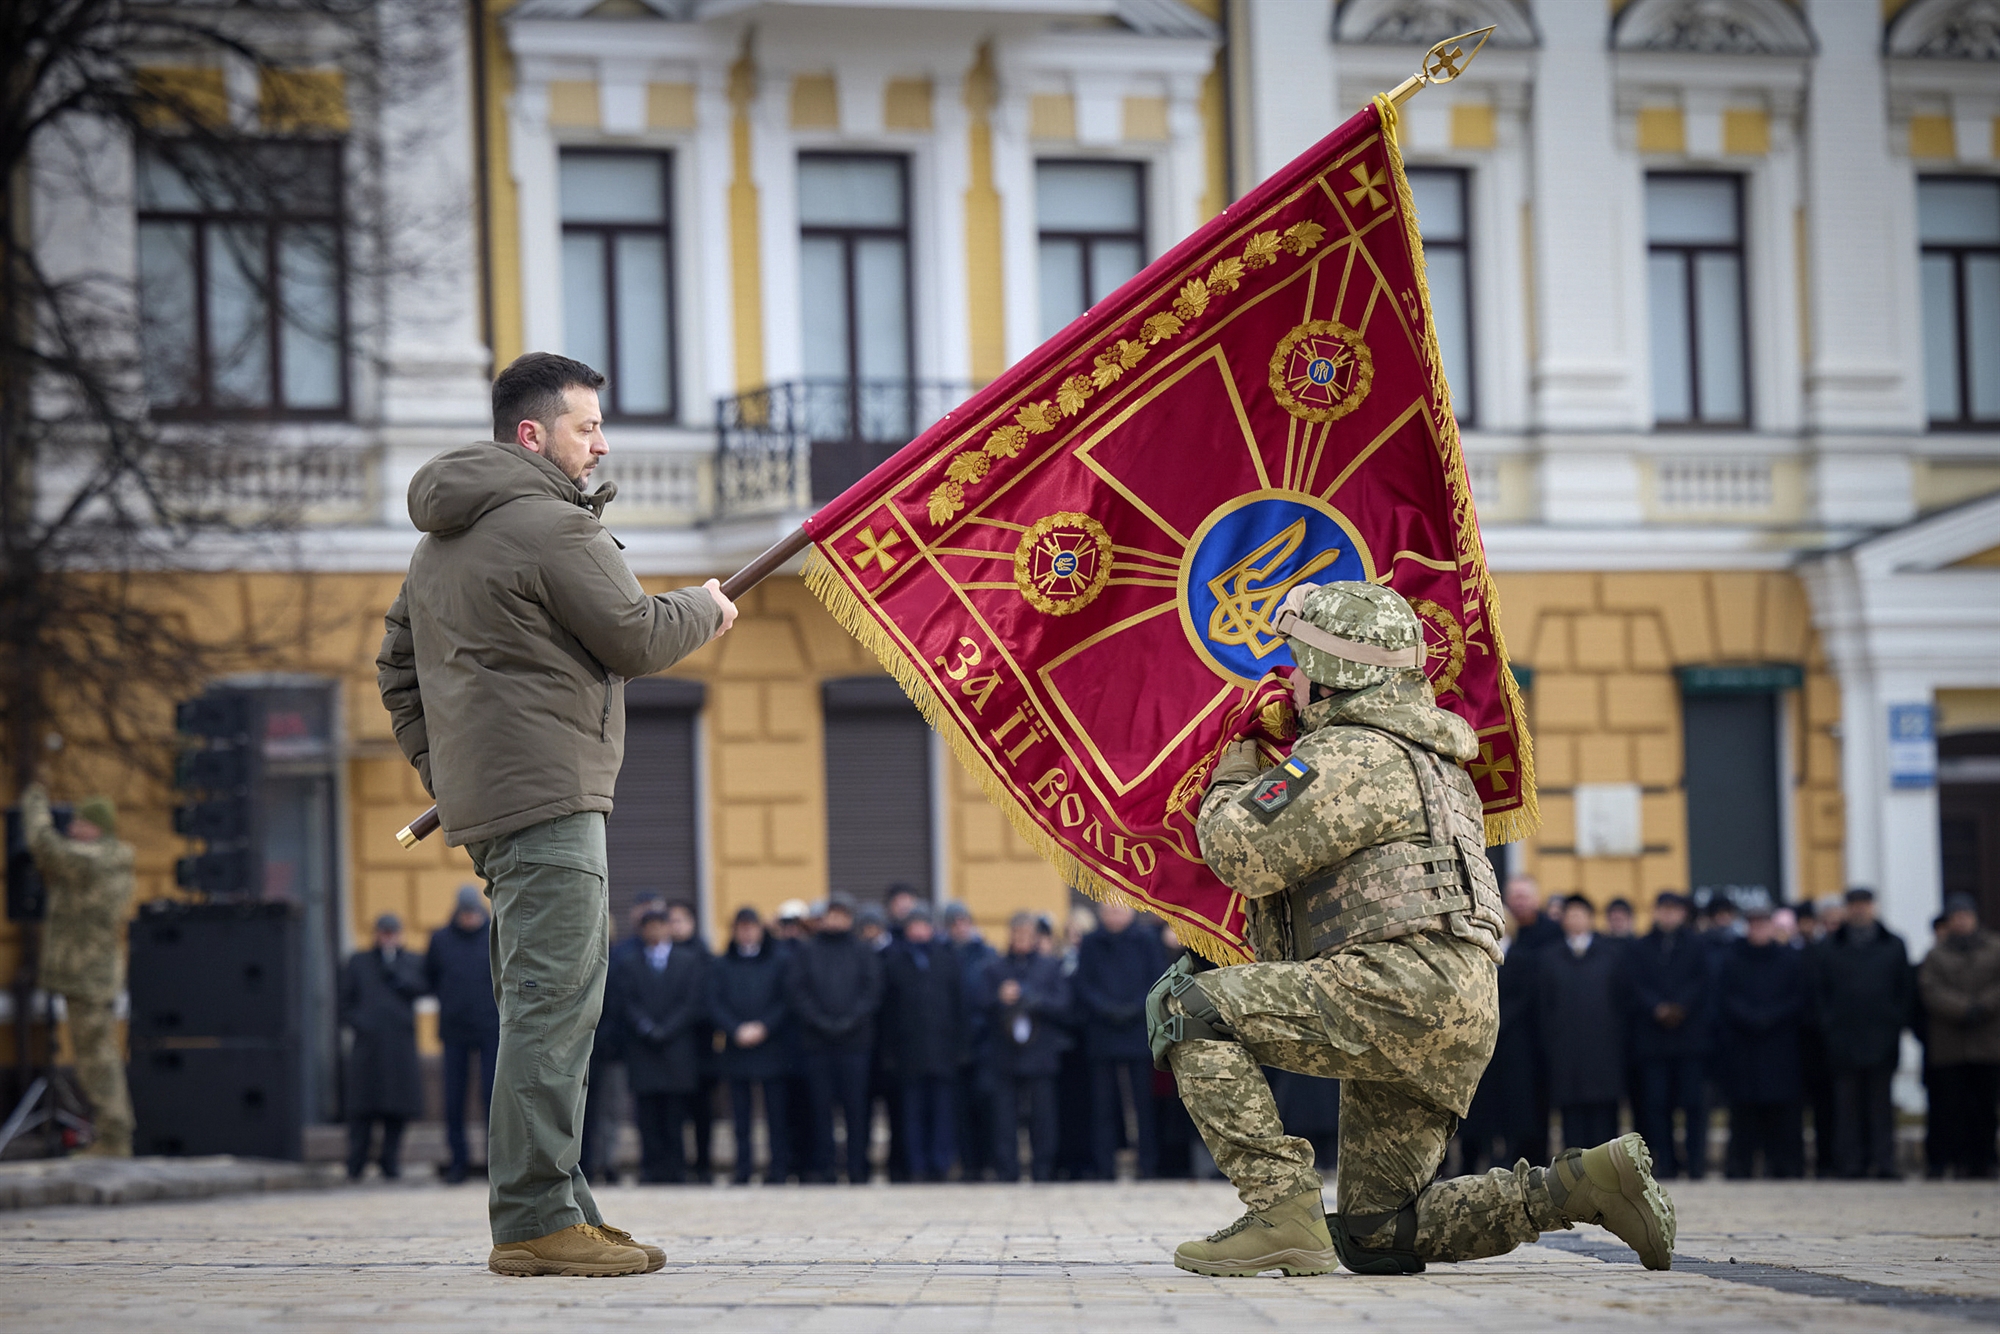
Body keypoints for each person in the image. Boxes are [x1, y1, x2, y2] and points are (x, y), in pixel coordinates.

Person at [1152, 581, 1673, 1278]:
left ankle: (1280, 1207)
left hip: (1394, 985)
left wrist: (1236, 764)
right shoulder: (1435, 760)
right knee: (1378, 1231)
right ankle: (1577, 1187)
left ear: (1336, 676)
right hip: (1452, 1002)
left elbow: (1239, 849)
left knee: (1186, 1008)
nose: (1291, 683)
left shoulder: (1353, 753)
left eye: (1300, 665)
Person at [377, 351, 733, 1275]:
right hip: (552, 800)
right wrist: (705, 607)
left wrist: (446, 772)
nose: (601, 445)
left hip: (495, 808)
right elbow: (638, 635)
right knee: (554, 1008)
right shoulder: (548, 525)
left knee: (540, 1002)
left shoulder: (438, 541)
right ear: (532, 434)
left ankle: (562, 1204)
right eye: (586, 427)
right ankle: (536, 1217)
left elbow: (396, 671)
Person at [20, 780, 134, 1157]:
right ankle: (111, 1135)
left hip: (88, 977)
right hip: (89, 975)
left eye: (80, 824)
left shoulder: (94, 860)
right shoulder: (105, 860)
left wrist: (33, 800)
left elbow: (45, 846)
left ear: (97, 828)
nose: (72, 829)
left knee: (96, 1061)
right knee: (94, 1059)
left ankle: (115, 1138)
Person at [1810, 887, 1911, 1180]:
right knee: (1846, 1106)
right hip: (1842, 1040)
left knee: (1881, 1105)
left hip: (1883, 1037)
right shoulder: (1829, 947)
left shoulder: (1893, 945)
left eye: (1864, 904)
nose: (1859, 910)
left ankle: (1884, 1162)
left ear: (1873, 907)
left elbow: (1904, 990)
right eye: (1853, 904)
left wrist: (1895, 1021)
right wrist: (1829, 1026)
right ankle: (1850, 1164)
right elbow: (1819, 993)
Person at [787, 896, 883, 1184]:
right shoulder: (807, 951)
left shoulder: (863, 952)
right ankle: (824, 1168)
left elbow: (872, 991)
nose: (835, 921)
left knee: (856, 1109)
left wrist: (848, 1022)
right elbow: (797, 991)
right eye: (831, 915)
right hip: (817, 1044)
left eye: (842, 915)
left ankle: (857, 1168)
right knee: (820, 1110)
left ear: (850, 919)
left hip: (855, 1044)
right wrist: (822, 1022)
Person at [614, 903, 709, 1184]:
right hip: (643, 1048)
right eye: (649, 926)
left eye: (660, 925)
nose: (655, 931)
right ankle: (651, 1168)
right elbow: (626, 1002)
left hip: (677, 1048)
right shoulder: (630, 962)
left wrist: (667, 1029)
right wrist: (646, 1027)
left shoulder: (688, 960)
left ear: (668, 928)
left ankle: (676, 1168)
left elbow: (692, 1001)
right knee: (647, 1114)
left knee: (675, 1113)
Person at [1715, 902, 1806, 1178]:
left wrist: (1770, 1017)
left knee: (1783, 1114)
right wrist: (1749, 1017)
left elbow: (1799, 997)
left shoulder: (1789, 958)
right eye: (1754, 924)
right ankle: (1739, 1167)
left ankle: (1785, 1167)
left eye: (1764, 924)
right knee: (1743, 1114)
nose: (1759, 929)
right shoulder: (1732, 958)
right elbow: (1724, 997)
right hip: (1744, 1046)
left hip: (1780, 1046)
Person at [1074, 899, 1164, 1180]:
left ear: (1130, 913)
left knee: (1142, 1104)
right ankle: (1104, 1167)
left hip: (1137, 1030)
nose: (1114, 916)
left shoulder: (1146, 940)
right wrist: (1107, 1009)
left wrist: (1133, 1009)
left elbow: (1157, 980)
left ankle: (1147, 1165)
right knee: (1103, 1104)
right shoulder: (1090, 943)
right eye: (1109, 912)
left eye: (1119, 911)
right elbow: (1083, 984)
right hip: (1102, 1030)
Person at [1627, 892, 1709, 1180]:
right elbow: (1635, 984)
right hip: (1653, 1040)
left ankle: (1696, 1163)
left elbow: (1702, 983)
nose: (1669, 915)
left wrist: (1680, 1007)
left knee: (1694, 1105)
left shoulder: (1698, 945)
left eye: (1674, 910)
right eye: (1664, 909)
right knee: (1656, 1105)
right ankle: (1666, 1162)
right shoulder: (1640, 947)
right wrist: (1657, 1008)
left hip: (1689, 1039)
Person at [1918, 894, 2000, 1179]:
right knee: (1953, 1108)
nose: (1962, 921)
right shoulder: (1936, 955)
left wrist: (1984, 1006)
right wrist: (1963, 1009)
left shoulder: (1994, 948)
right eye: (1956, 917)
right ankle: (1958, 1160)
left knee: (1986, 1107)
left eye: (1966, 915)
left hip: (1987, 1042)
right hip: (1950, 1044)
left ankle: (1986, 1160)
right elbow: (1930, 990)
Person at [986, 911, 1072, 1182]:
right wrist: (999, 998)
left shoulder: (1050, 966)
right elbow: (978, 1004)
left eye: (1026, 934)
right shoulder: (995, 967)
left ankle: (1043, 1169)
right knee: (1004, 1119)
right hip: (1005, 1055)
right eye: (1016, 934)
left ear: (1035, 938)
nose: (1020, 940)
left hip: (1040, 1054)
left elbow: (1064, 1005)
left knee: (1043, 1117)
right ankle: (1007, 1170)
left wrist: (1033, 999)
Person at [1537, 896, 1628, 1152]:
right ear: (1563, 920)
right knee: (1571, 1120)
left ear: (1590, 918)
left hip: (1604, 1052)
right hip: (1566, 1053)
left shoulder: (1610, 955)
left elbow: (1622, 1004)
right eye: (1571, 914)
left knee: (1604, 1120)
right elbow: (1544, 1008)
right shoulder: (1549, 957)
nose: (1576, 919)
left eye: (1581, 914)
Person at [340, 914, 425, 1181]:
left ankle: (390, 1161)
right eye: (383, 932)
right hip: (368, 1046)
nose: (388, 937)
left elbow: (421, 989)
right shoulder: (359, 961)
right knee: (362, 1109)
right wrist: (361, 1023)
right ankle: (356, 1162)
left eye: (392, 932)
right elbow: (345, 1001)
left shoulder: (411, 961)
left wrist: (396, 973)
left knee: (396, 1109)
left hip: (399, 1045)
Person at [882, 904, 965, 1180]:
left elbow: (959, 1006)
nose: (919, 930)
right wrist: (889, 1053)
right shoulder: (894, 961)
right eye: (913, 925)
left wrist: (961, 1049)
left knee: (942, 1114)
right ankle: (916, 1166)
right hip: (909, 1053)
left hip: (943, 1051)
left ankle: (940, 1164)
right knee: (912, 1114)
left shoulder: (946, 958)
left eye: (923, 924)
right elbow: (887, 1012)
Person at [426, 885, 501, 1183]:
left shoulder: (493, 936)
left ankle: (493, 1162)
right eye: (464, 913)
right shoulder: (440, 939)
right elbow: (430, 976)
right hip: (454, 1029)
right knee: (453, 1098)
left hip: (489, 1028)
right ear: (457, 912)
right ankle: (458, 1161)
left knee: (491, 1098)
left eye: (473, 913)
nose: (469, 918)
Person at [712, 906, 792, 1184]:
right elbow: (713, 1001)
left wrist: (764, 1027)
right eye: (741, 927)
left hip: (771, 1047)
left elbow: (785, 1000)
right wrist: (735, 1029)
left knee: (776, 1115)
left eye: (751, 926)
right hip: (737, 1047)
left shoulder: (778, 961)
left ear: (760, 929)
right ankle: (743, 1169)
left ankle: (778, 1169)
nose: (747, 932)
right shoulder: (722, 964)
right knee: (741, 1117)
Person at [941, 903, 998, 1179]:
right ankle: (968, 1165)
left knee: (987, 1104)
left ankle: (989, 1162)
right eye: (954, 923)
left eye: (964, 922)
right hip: (953, 1044)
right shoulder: (943, 954)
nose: (959, 927)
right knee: (959, 1110)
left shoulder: (987, 955)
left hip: (985, 1041)